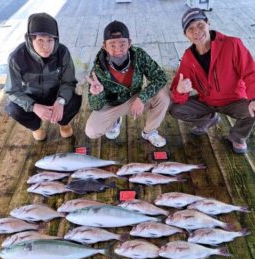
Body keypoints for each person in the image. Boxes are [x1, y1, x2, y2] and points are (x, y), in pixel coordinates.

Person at [170, 8, 255, 154]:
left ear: (208, 23)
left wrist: (254, 98)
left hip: (235, 101)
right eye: (190, 29)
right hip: (207, 102)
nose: (196, 31)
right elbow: (177, 91)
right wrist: (180, 91)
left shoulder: (232, 44)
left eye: (200, 25)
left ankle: (237, 136)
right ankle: (208, 119)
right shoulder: (188, 58)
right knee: (175, 109)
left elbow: (251, 72)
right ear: (186, 35)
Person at [85, 20, 170, 147]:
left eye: (122, 44)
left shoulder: (139, 55)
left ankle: (149, 131)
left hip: (135, 99)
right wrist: (97, 94)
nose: (118, 49)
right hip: (112, 105)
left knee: (163, 95)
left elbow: (161, 77)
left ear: (129, 43)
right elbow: (95, 106)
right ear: (104, 45)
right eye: (112, 45)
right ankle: (115, 121)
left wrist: (142, 97)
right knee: (91, 131)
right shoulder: (98, 69)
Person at [5, 13, 82, 141]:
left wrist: (60, 101)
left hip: (56, 94)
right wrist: (33, 106)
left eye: (50, 40)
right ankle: (36, 128)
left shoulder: (63, 52)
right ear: (31, 39)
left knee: (74, 99)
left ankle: (64, 124)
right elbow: (12, 91)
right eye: (40, 40)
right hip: (32, 96)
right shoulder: (16, 57)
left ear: (55, 40)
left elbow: (69, 82)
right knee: (13, 108)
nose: (46, 46)